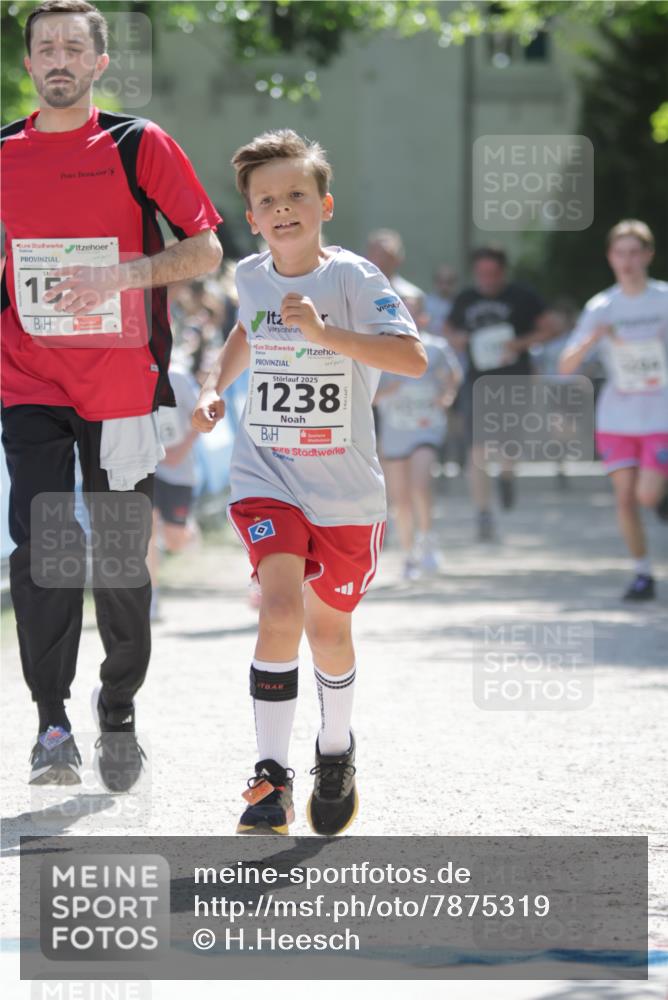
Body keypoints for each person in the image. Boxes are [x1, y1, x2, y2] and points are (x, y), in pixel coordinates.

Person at [1, 0, 222, 789]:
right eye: (44, 47)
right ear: (28, 63)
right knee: (44, 548)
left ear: (99, 64)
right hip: (26, 378)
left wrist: (124, 274)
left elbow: (205, 249)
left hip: (122, 383)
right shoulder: (1, 154)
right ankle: (50, 721)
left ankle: (118, 702)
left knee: (119, 553)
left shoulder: (138, 144)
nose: (58, 57)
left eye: (73, 47)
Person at [192, 129, 427, 836]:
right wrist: (212, 386)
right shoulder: (253, 275)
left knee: (329, 634)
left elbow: (410, 358)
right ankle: (270, 778)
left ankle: (335, 750)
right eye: (268, 200)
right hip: (268, 473)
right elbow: (247, 331)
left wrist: (327, 337)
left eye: (297, 194)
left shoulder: (353, 279)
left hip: (346, 491)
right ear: (253, 218)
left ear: (324, 204)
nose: (283, 208)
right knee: (279, 608)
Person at [559, 220, 668, 601]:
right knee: (625, 497)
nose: (628, 261)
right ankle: (642, 573)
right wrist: (593, 336)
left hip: (660, 415)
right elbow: (565, 366)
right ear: (610, 257)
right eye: (620, 253)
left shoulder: (663, 301)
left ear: (648, 256)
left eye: (635, 252)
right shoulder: (602, 306)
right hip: (617, 418)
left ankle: (660, 498)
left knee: (647, 496)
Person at [445, 246, 555, 540]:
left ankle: (507, 475)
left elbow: (549, 329)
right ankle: (483, 512)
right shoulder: (466, 299)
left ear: (502, 273)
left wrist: (518, 344)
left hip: (515, 380)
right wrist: (459, 339)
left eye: (492, 274)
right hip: (477, 382)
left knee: (509, 443)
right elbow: (448, 331)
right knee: (477, 450)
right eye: (481, 274)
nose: (487, 279)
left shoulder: (523, 296)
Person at [375, 293, 462, 579]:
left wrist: (446, 396)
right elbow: (367, 395)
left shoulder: (435, 348)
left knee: (420, 485)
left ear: (423, 318)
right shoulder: (380, 348)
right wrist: (390, 390)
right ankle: (410, 554)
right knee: (400, 500)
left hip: (426, 426)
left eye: (412, 313)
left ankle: (427, 537)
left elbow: (453, 375)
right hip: (395, 430)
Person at [148, 364, 202, 622]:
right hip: (146, 467)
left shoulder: (177, 376)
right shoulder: (126, 371)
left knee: (175, 542)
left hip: (178, 471)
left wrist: (180, 450)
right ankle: (150, 597)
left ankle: (187, 530)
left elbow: (201, 418)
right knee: (145, 529)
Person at [365, 228, 423, 300]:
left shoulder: (411, 296)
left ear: (398, 259)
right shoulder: (355, 290)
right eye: (375, 254)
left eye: (386, 256)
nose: (380, 261)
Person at [424, 264, 458, 333]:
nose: (444, 286)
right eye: (441, 282)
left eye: (449, 282)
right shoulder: (426, 301)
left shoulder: (459, 303)